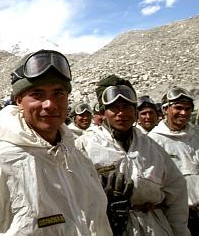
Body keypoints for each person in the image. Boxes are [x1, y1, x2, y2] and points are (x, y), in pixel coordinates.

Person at [0, 50, 111, 235]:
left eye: (58, 93)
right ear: (19, 101)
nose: (49, 104)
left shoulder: (79, 159)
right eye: (37, 94)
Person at [76, 75, 189, 236]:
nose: (121, 112)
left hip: (154, 226)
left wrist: (179, 231)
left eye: (127, 106)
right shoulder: (84, 146)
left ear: (135, 110)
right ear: (103, 112)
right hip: (105, 227)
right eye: (114, 107)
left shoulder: (152, 147)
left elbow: (176, 193)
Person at [149, 87, 199, 234]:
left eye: (188, 109)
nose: (183, 113)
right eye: (178, 108)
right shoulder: (155, 141)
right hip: (181, 217)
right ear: (165, 110)